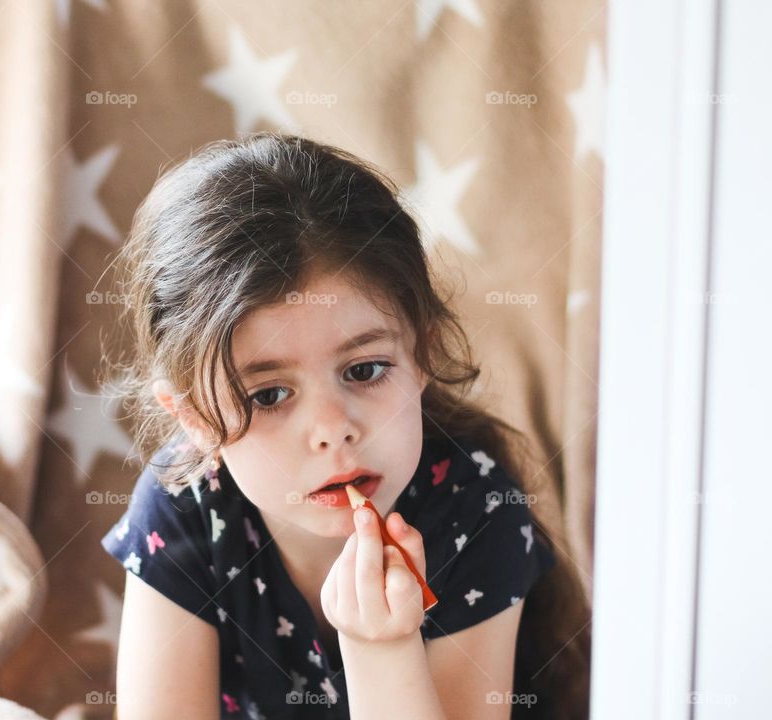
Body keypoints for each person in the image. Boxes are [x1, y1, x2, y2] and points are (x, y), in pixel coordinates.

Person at [98, 132, 591, 719]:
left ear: (422, 357)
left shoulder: (477, 508)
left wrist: (381, 649)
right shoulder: (184, 505)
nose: (333, 429)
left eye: (364, 370)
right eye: (269, 394)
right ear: (193, 418)